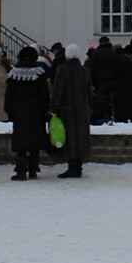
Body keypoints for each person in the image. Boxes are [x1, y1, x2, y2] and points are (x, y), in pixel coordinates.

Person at [4, 45, 51, 180]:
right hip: (36, 113)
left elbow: (9, 97)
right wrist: (45, 110)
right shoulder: (39, 74)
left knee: (21, 143)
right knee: (35, 141)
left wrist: (10, 112)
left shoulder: (14, 75)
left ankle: (21, 171)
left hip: (20, 113)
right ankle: (33, 170)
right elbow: (44, 96)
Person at [50, 43, 92, 177]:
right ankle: (78, 166)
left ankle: (72, 167)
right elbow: (88, 91)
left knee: (70, 137)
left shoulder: (62, 70)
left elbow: (58, 90)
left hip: (67, 108)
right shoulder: (84, 70)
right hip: (82, 108)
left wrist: (53, 107)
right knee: (80, 137)